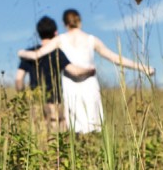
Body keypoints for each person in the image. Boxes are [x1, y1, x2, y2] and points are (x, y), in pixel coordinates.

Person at [18, 9, 154, 134]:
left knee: (73, 127)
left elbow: (37, 55)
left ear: (65, 24)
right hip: (89, 83)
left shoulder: (60, 40)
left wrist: (22, 52)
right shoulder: (91, 40)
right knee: (93, 124)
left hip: (70, 86)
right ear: (80, 21)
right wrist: (142, 68)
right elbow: (115, 58)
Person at [15, 15, 96, 132]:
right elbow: (73, 71)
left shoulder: (29, 53)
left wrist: (23, 97)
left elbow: (19, 80)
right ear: (55, 32)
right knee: (57, 141)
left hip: (35, 103)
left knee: (38, 140)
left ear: (39, 33)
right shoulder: (57, 52)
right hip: (55, 102)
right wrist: (89, 70)